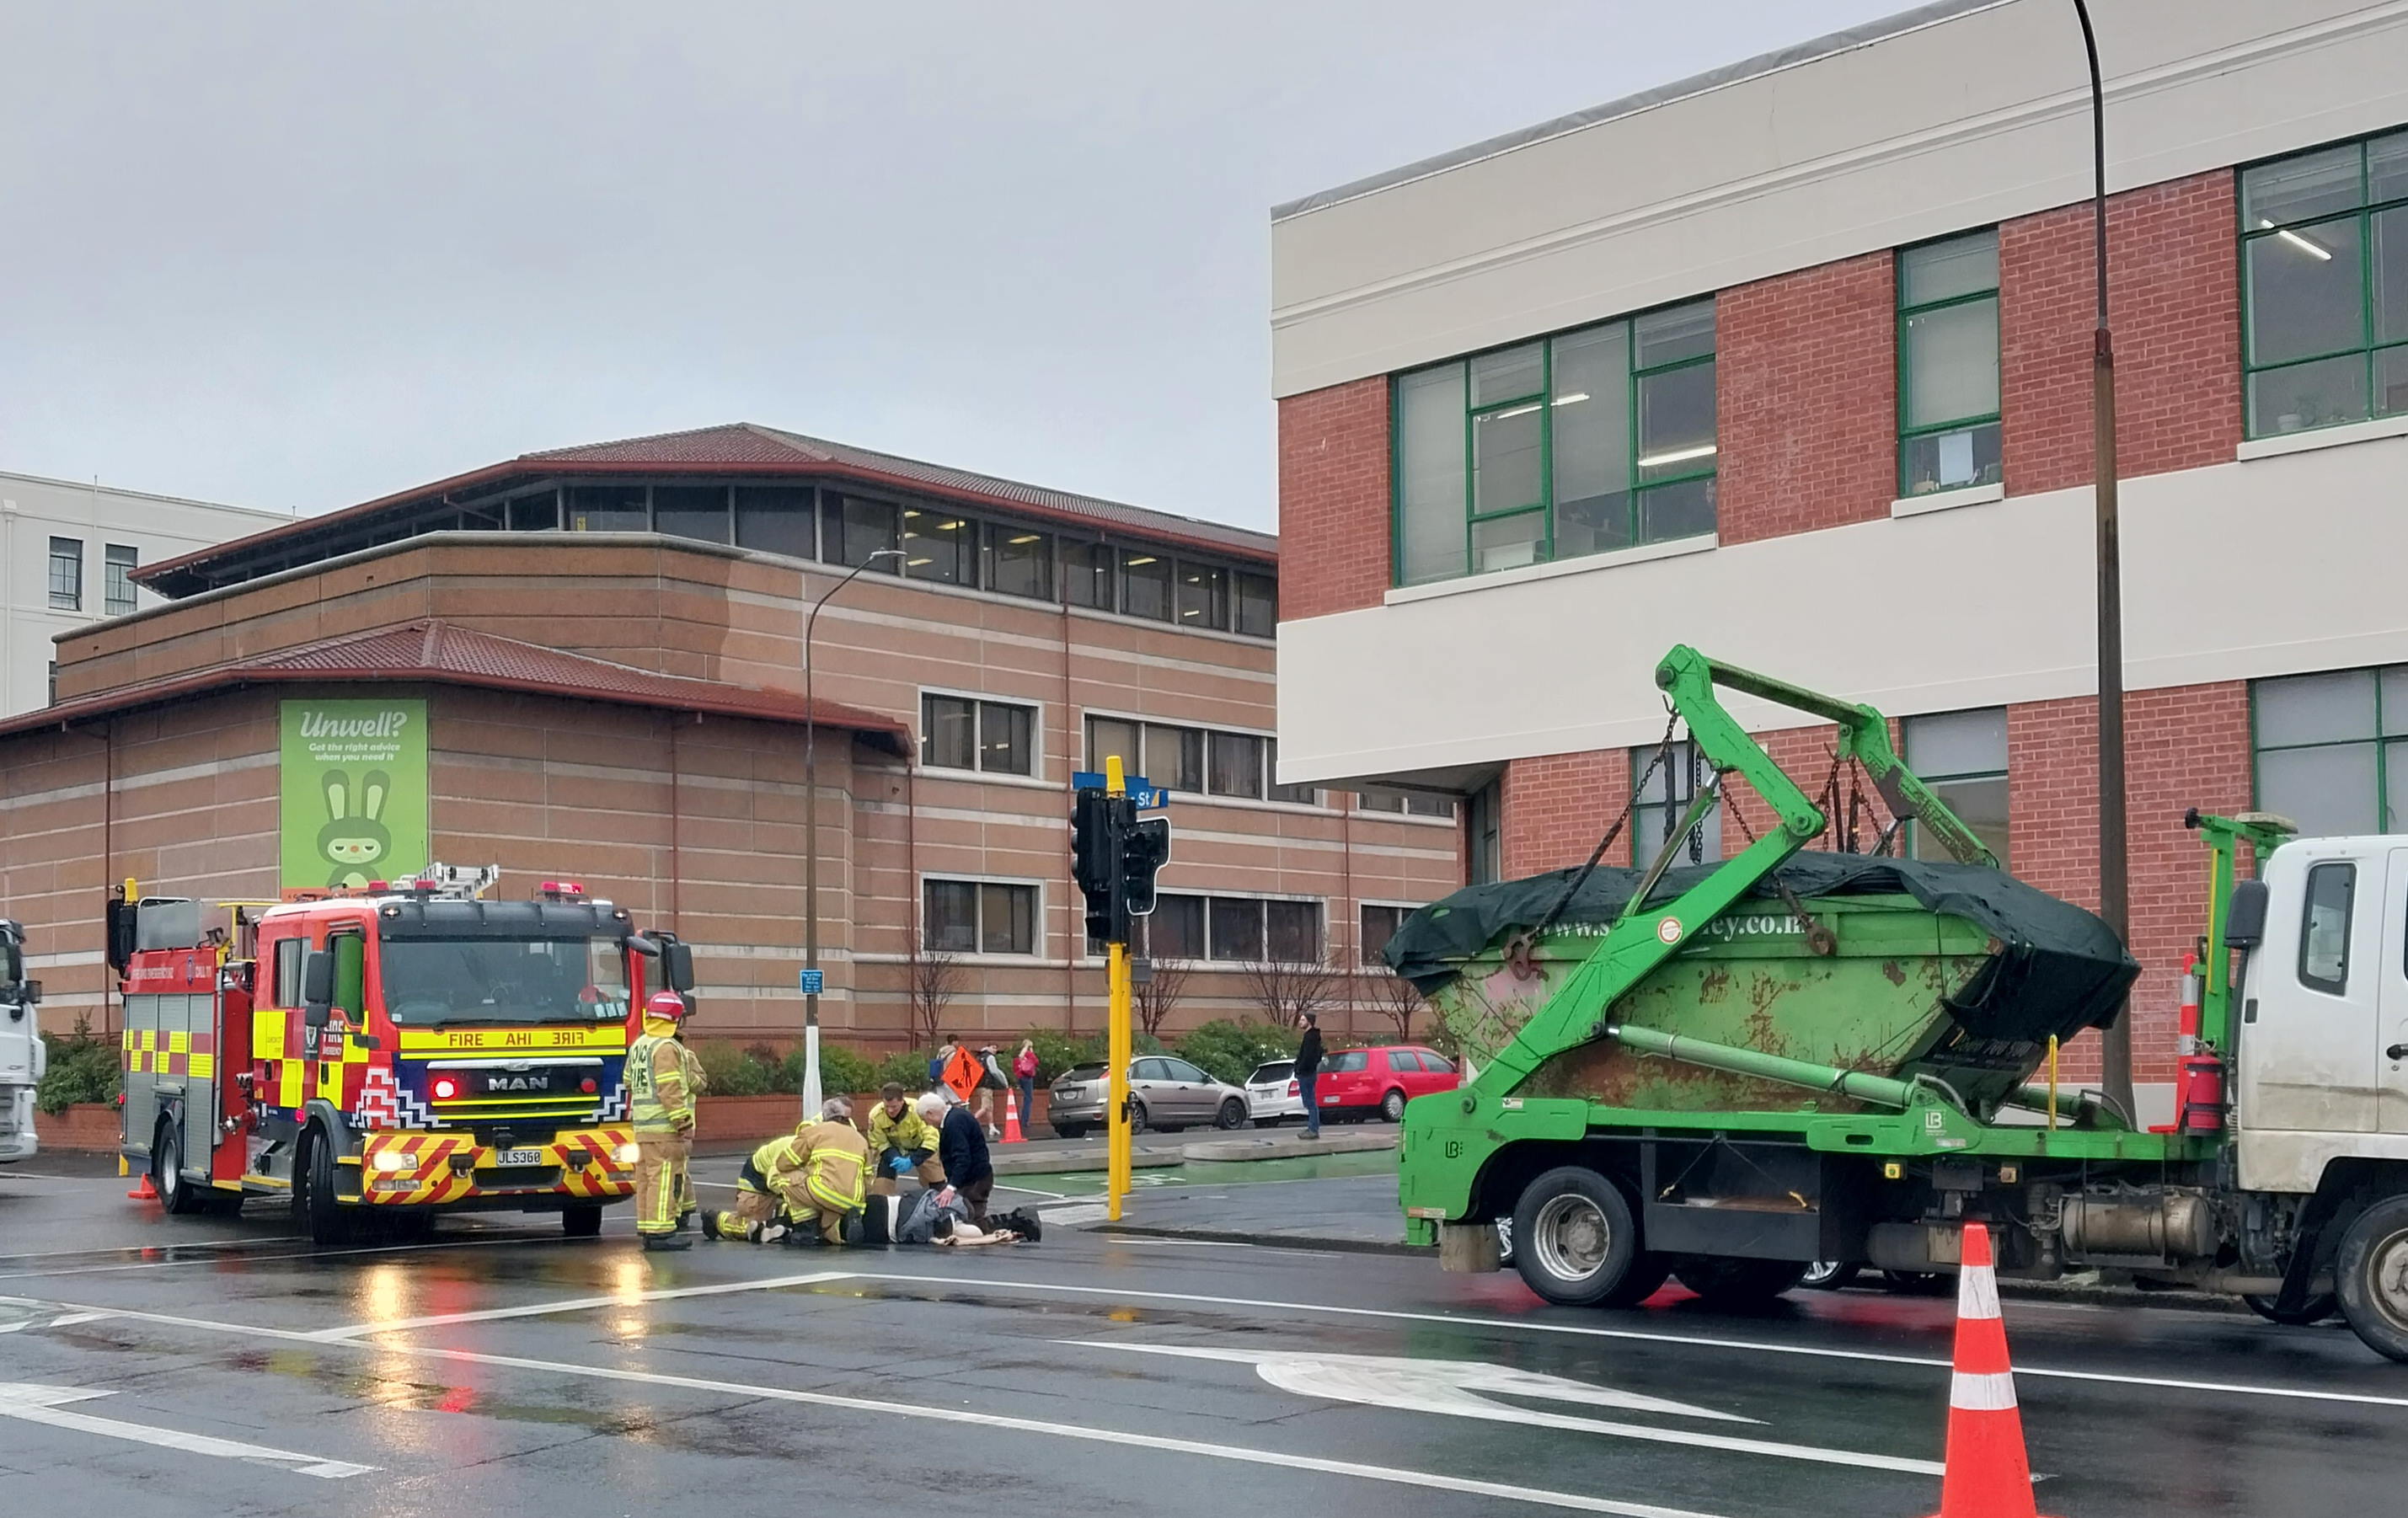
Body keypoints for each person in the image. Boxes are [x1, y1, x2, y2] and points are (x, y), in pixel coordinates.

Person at [702, 1099, 870, 1246]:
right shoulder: (795, 1144)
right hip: (759, 1180)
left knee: (809, 1197)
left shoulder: (829, 1139)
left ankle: (794, 1226)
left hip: (804, 1186)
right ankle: (717, 1220)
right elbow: (777, 1176)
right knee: (752, 1225)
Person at [628, 990, 698, 1251]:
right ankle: (661, 1233)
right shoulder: (667, 1047)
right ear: (675, 1020)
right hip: (664, 1128)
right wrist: (683, 1121)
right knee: (663, 1179)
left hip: (643, 1128)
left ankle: (648, 1226)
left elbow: (628, 1081)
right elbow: (670, 1089)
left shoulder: (640, 1044)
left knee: (646, 1178)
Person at [922, 1088, 993, 1221]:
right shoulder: (956, 1116)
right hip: (974, 1177)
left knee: (972, 1219)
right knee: (969, 1216)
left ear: (930, 1113)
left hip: (974, 1179)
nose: (927, 1124)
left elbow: (962, 1157)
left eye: (925, 1120)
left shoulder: (954, 1123)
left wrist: (951, 1186)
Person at [867, 1082, 944, 1195]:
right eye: (887, 1106)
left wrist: (913, 1160)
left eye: (894, 1107)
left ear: (902, 1101)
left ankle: (939, 1203)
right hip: (894, 1149)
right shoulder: (875, 1115)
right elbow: (879, 1143)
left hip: (920, 1146)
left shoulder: (918, 1110)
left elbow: (932, 1139)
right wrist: (893, 1157)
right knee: (881, 1184)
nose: (890, 1111)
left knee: (936, 1180)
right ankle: (883, 1205)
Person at [1294, 1011, 1324, 1141]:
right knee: (1309, 1102)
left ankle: (1313, 1129)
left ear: (1309, 1022)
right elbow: (1318, 1056)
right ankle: (1312, 1127)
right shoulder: (1311, 1037)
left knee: (1310, 1102)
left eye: (1303, 1020)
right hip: (1307, 1073)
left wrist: (1300, 1068)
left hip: (1306, 1074)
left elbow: (1309, 1057)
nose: (1300, 1022)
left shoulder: (1310, 1038)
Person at [975, 1044, 1009, 1138]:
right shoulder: (990, 1057)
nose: (995, 1050)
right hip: (987, 1085)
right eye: (993, 1047)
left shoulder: (979, 1057)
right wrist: (1004, 1081)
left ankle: (992, 1127)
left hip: (979, 1085)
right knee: (985, 1107)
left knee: (990, 1108)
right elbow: (994, 1071)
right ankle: (971, 1121)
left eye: (996, 1048)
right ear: (988, 1047)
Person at [1012, 1040, 1038, 1132]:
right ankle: (1025, 1120)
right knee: (1028, 1098)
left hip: (1020, 1077)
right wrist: (1031, 1052)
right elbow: (1036, 1062)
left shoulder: (1017, 1056)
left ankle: (1023, 1119)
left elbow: (1015, 1067)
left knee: (1025, 1098)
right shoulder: (1029, 1055)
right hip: (1027, 1077)